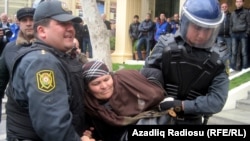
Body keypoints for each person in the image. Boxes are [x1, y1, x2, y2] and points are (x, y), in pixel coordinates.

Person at [4, 1, 93, 141]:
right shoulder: (43, 62)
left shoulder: (57, 56)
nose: (71, 29)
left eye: (71, 24)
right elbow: (53, 126)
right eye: (62, 24)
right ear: (42, 31)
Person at [144, 0, 229, 125]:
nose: (201, 34)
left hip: (191, 121)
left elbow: (217, 101)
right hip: (158, 116)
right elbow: (145, 76)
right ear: (186, 23)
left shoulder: (219, 58)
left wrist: (181, 105)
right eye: (197, 27)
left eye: (207, 29)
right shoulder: (165, 43)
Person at [82, 60, 174, 140]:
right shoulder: (89, 107)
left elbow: (154, 73)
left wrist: (151, 86)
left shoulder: (125, 80)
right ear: (87, 87)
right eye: (96, 83)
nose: (104, 86)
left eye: (106, 79)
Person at [0, 7, 36, 123]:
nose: (29, 23)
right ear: (19, 23)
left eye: (32, 20)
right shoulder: (10, 48)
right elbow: (1, 81)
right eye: (24, 20)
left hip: (44, 112)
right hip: (17, 116)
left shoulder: (50, 47)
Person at [230, 0, 250, 71]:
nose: (238, 3)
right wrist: (231, 33)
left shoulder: (246, 12)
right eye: (237, 1)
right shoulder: (233, 13)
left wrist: (247, 33)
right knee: (234, 52)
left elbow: (249, 23)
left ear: (243, 3)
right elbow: (231, 24)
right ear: (235, 3)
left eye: (240, 1)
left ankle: (245, 67)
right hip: (234, 34)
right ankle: (232, 67)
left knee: (244, 51)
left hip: (243, 34)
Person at [217, 3, 232, 69]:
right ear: (221, 8)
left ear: (227, 7)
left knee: (230, 50)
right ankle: (220, 64)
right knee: (219, 51)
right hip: (220, 35)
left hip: (228, 36)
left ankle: (229, 63)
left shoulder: (231, 15)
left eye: (225, 6)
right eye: (222, 7)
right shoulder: (218, 16)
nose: (224, 8)